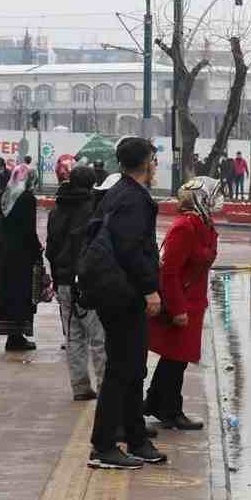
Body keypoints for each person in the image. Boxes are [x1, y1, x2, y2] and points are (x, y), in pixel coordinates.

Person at [88, 137, 167, 470]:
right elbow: (131, 249)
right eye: (154, 160)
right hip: (122, 294)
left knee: (133, 368)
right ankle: (103, 446)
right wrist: (150, 289)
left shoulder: (119, 192)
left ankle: (136, 439)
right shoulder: (133, 199)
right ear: (146, 162)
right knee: (122, 369)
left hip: (116, 291)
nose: (155, 166)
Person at [145, 177, 220, 431]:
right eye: (212, 195)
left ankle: (156, 403)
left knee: (177, 358)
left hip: (194, 302)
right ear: (200, 199)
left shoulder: (203, 224)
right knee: (176, 357)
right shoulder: (184, 227)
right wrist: (177, 309)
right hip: (182, 303)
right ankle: (170, 410)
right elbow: (169, 272)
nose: (217, 200)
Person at [47, 165, 106, 400]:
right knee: (99, 337)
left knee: (73, 336)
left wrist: (57, 278)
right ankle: (105, 386)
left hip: (63, 281)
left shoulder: (56, 210)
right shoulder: (93, 210)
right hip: (87, 281)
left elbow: (51, 249)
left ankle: (80, 386)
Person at [0, 163, 44, 352]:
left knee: (9, 293)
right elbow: (28, 229)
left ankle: (12, 336)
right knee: (22, 294)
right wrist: (37, 249)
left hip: (6, 253)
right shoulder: (27, 198)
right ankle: (17, 337)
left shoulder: (7, 195)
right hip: (22, 254)